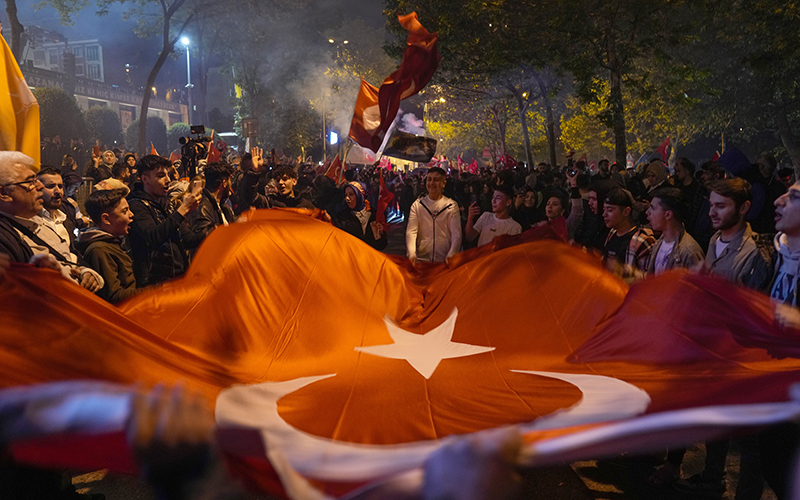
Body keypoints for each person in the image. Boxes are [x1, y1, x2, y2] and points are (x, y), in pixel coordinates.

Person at [0, 152, 102, 292]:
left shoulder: (41, 223)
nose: (40, 186)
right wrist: (49, 279)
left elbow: (71, 256)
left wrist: (87, 272)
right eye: (31, 182)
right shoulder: (5, 237)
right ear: (4, 194)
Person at [127, 155, 201, 287]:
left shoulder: (165, 202)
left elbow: (186, 237)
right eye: (161, 176)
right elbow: (153, 235)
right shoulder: (136, 205)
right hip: (153, 282)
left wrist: (216, 231)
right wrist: (183, 209)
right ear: (145, 179)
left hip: (177, 277)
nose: (168, 180)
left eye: (168, 175)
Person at [704, 178, 772, 291]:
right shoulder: (714, 240)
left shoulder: (754, 251)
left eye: (720, 206)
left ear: (743, 208)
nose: (711, 213)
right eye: (711, 205)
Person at [77, 188, 139, 304]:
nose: (131, 214)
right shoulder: (100, 250)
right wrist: (154, 290)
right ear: (106, 219)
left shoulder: (114, 242)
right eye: (125, 211)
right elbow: (114, 297)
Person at [406, 167, 462, 264]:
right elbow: (411, 231)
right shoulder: (418, 205)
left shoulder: (451, 206)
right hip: (422, 261)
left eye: (436, 180)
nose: (432, 183)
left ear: (443, 184)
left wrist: (452, 253)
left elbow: (456, 233)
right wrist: (411, 253)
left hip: (444, 262)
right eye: (429, 179)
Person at [645, 187, 704, 275]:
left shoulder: (689, 251)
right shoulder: (659, 243)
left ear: (668, 215)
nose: (647, 212)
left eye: (653, 208)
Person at [602, 187, 656, 282]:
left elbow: (650, 280)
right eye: (604, 210)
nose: (604, 214)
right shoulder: (612, 233)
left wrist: (624, 271)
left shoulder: (642, 241)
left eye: (610, 210)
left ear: (626, 211)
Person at [182, 162, 236, 256]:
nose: (230, 185)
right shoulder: (203, 206)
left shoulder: (222, 205)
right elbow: (204, 241)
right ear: (224, 183)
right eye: (229, 180)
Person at [331, 181, 387, 250]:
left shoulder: (373, 214)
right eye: (346, 195)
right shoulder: (342, 216)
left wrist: (381, 233)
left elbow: (381, 245)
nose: (347, 199)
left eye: (351, 194)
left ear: (360, 195)